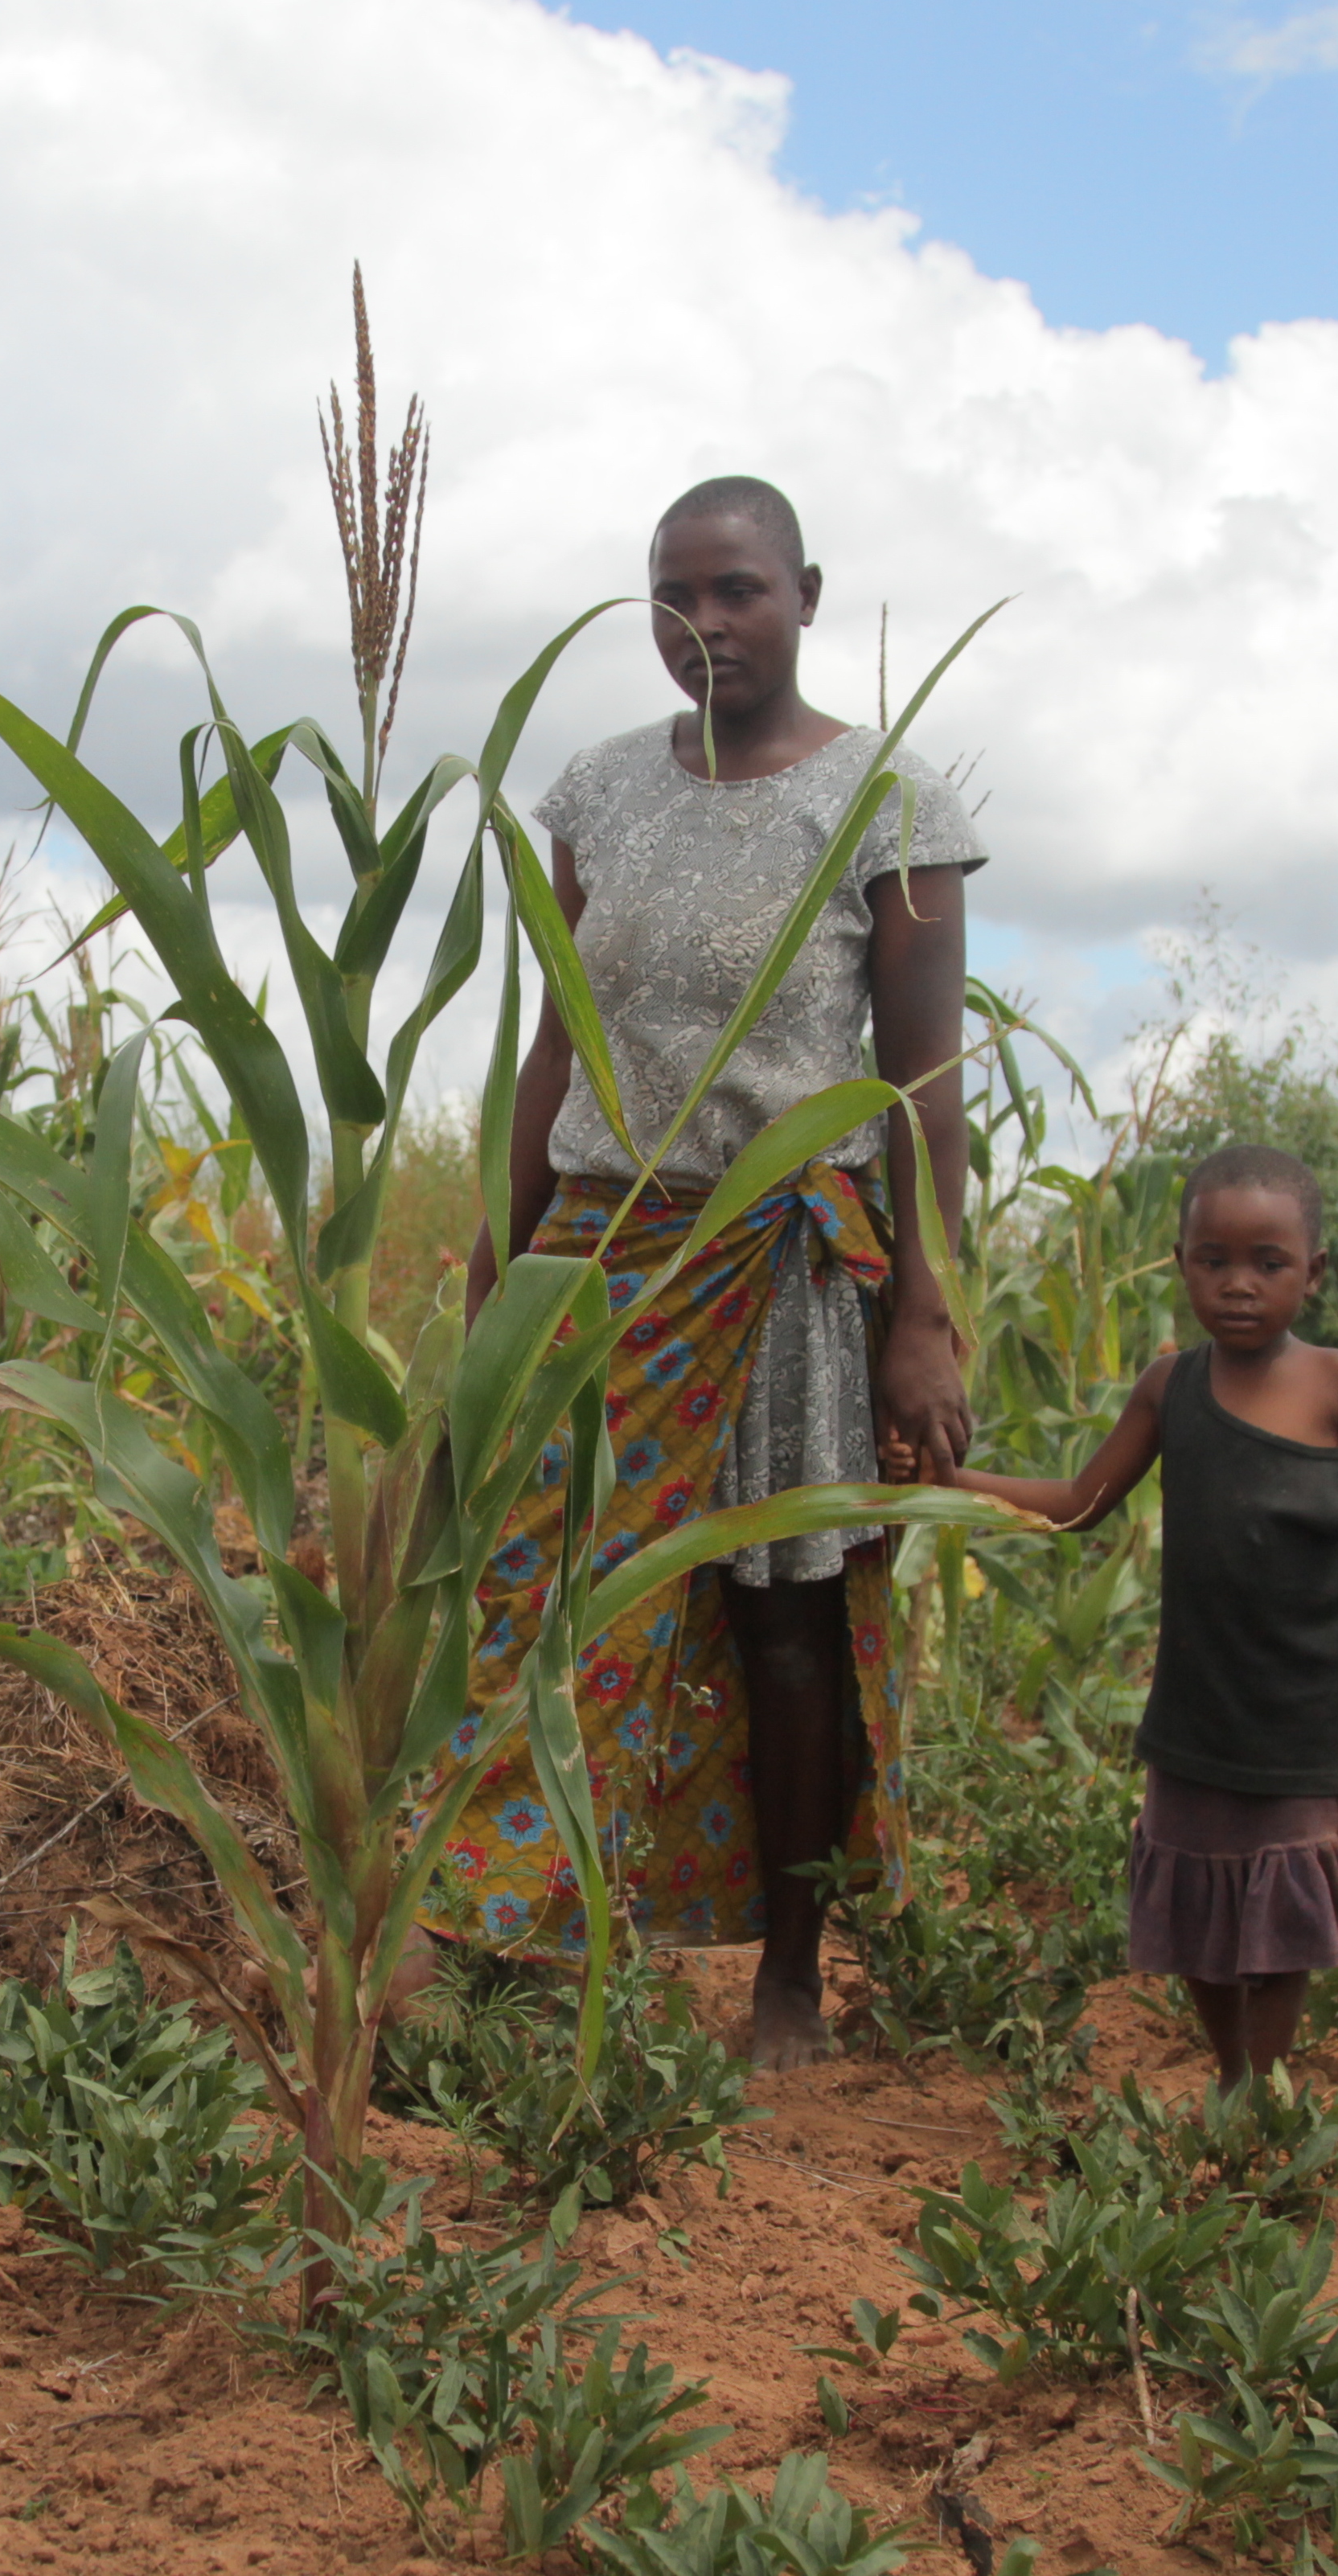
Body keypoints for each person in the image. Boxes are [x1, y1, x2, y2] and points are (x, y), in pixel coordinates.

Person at [420, 474, 987, 2069]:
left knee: (779, 1614)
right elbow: (555, 1047)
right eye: (675, 597)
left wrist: (921, 1318)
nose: (705, 627)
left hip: (787, 1263)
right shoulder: (595, 793)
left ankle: (788, 1982)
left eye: (736, 591)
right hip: (599, 1252)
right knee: (544, 1602)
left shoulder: (887, 807)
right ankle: (519, 1952)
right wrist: (498, 1264)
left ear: (804, 591)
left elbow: (921, 1094)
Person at [896, 1143, 1338, 2089]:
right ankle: (1231, 2067)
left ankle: (1257, 2087)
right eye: (1214, 1260)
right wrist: (946, 1480)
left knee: (1285, 1912)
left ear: (1311, 1274)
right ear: (1183, 1260)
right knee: (1200, 1890)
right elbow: (1077, 1501)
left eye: (1268, 1264)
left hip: (1310, 1699)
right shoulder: (1171, 1390)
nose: (1240, 1285)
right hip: (1202, 1698)